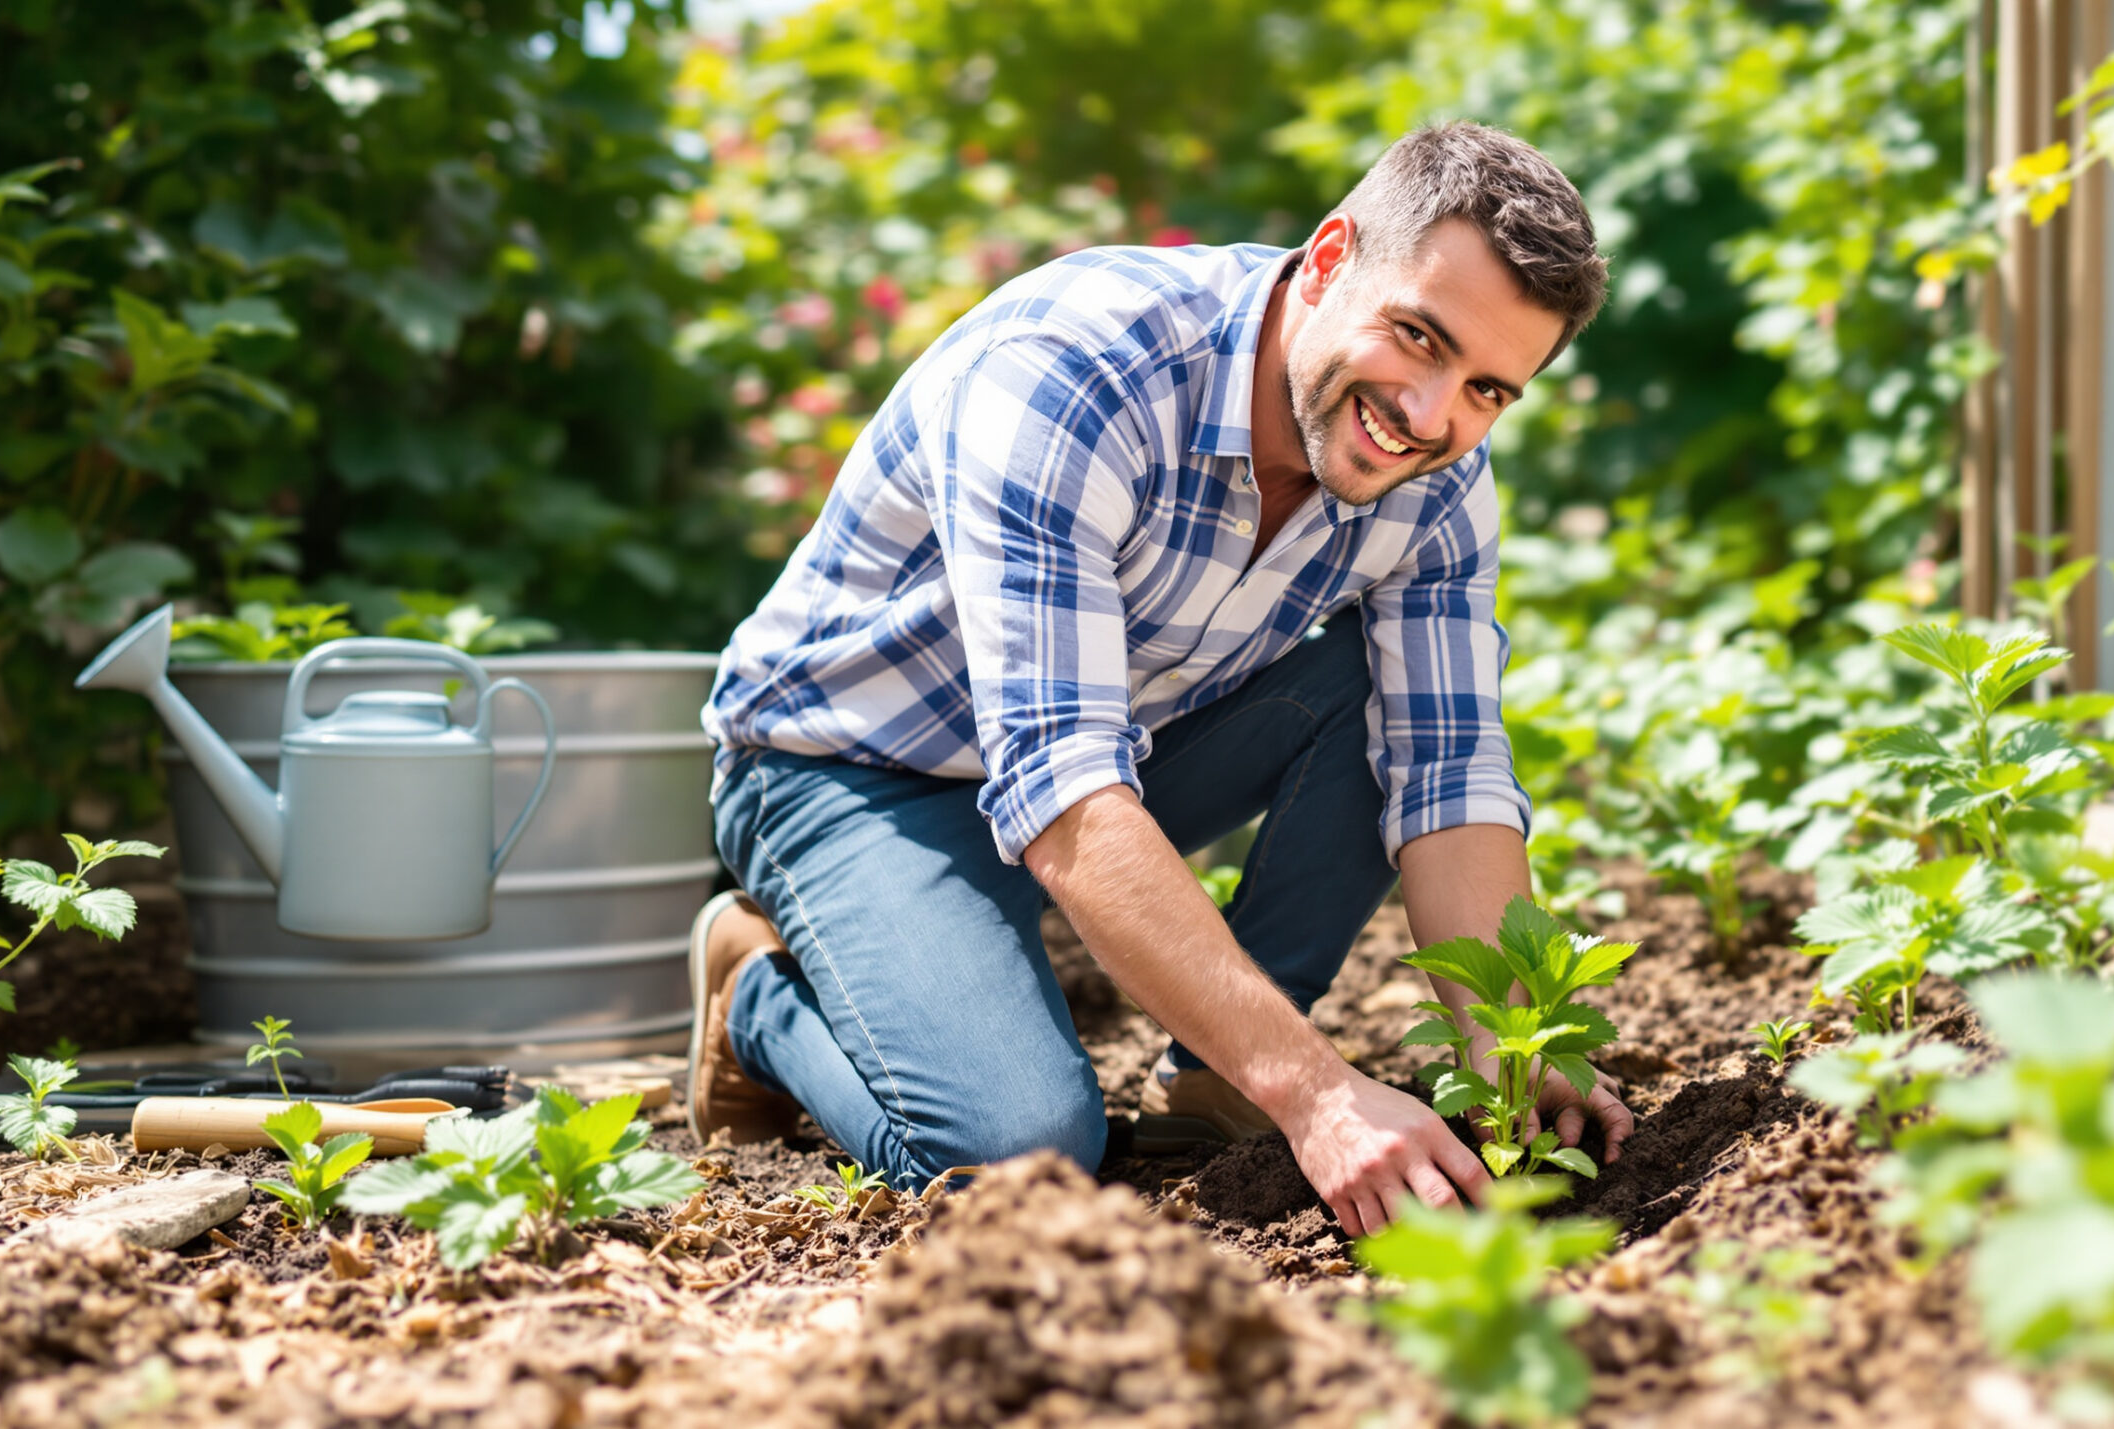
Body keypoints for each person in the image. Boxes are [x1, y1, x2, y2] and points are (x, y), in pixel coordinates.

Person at [690, 121, 1630, 1234]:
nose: (1430, 418)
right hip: (851, 768)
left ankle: (1220, 1067)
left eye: (1486, 389)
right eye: (1417, 338)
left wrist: (1511, 1046)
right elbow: (1063, 790)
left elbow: (1446, 770)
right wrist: (1322, 1095)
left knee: (1385, 697)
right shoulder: (1075, 376)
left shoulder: (1437, 479)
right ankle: (755, 994)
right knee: (1016, 1160)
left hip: (1114, 755)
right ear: (1328, 260)